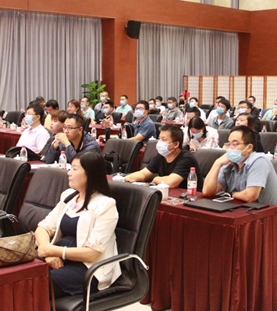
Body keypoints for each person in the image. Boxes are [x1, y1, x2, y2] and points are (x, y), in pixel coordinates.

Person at [35, 152, 120, 297]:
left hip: (88, 267)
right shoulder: (69, 196)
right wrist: (48, 252)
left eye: (75, 169)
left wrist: (54, 251)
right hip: (60, 258)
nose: (69, 173)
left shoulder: (105, 205)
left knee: (37, 283)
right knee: (22, 274)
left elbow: (93, 254)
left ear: (90, 174)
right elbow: (43, 227)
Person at [203, 126, 277, 218]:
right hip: (243, 214)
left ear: (249, 147)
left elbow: (250, 196)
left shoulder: (259, 161)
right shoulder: (229, 163)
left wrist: (233, 194)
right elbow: (207, 192)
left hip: (271, 219)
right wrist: (217, 163)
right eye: (229, 144)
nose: (230, 148)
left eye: (235, 144)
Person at [124, 124, 199, 189]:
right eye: (159, 138)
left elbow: (171, 182)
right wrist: (126, 178)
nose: (159, 142)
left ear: (176, 144)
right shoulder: (161, 156)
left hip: (189, 198)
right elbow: (143, 174)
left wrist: (156, 179)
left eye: (164, 139)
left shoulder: (186, 159)